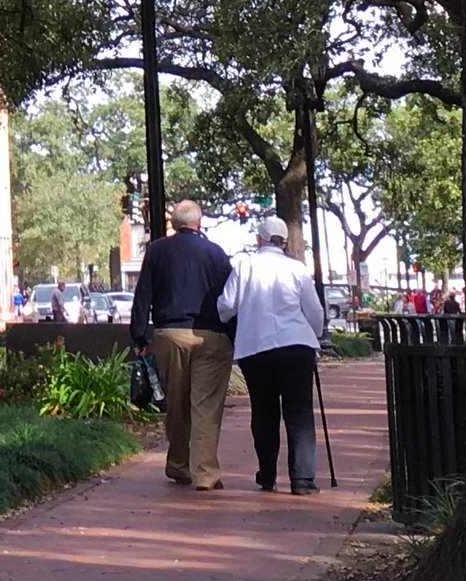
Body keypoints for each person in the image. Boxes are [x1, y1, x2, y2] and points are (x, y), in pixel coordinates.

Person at [129, 200, 234, 490]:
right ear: (198, 222)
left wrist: (139, 336)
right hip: (211, 335)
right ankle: (205, 473)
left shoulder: (157, 251)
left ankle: (178, 465)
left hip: (169, 334)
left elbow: (144, 295)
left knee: (175, 403)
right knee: (206, 406)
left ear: (173, 223)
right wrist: (234, 336)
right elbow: (230, 299)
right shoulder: (215, 253)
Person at [218, 216, 327, 494]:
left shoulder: (244, 267)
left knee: (264, 411)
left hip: (257, 348)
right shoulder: (297, 268)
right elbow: (314, 312)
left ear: (259, 240)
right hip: (297, 346)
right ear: (285, 242)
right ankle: (303, 479)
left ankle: (267, 474)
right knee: (300, 411)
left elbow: (225, 306)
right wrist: (313, 337)